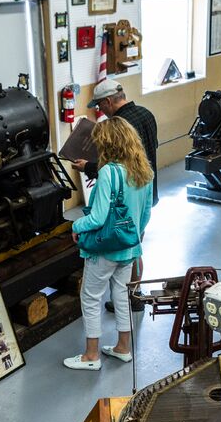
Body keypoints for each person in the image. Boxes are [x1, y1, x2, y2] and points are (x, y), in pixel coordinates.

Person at [63, 117, 154, 371]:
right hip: (129, 248)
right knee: (122, 295)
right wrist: (132, 234)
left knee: (90, 297)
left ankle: (91, 356)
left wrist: (76, 226)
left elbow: (98, 217)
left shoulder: (108, 172)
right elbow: (145, 214)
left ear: (108, 143)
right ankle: (123, 348)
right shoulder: (144, 170)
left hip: (105, 249)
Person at [70, 79, 158, 312]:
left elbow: (118, 165)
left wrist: (88, 167)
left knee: (129, 246)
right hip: (146, 189)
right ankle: (134, 293)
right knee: (136, 243)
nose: (100, 111)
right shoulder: (147, 114)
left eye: (100, 106)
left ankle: (131, 295)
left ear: (109, 101)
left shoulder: (121, 125)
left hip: (125, 198)